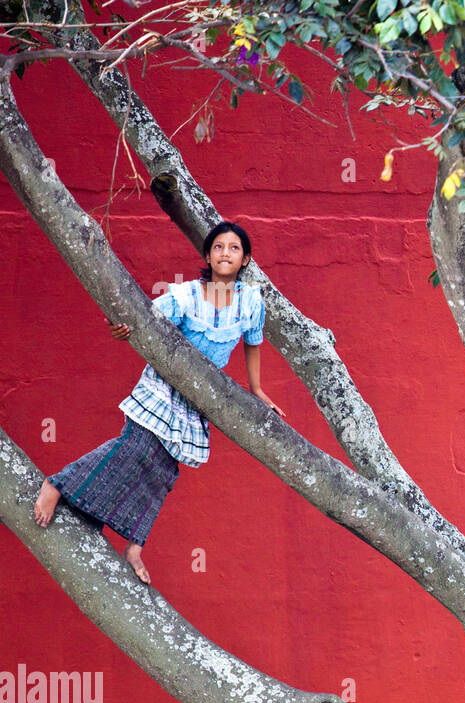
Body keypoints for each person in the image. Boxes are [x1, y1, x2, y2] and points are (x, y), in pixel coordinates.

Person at [31, 221, 286, 585]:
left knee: (163, 473)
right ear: (207, 255)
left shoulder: (251, 302)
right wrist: (117, 327)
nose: (225, 253)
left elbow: (253, 342)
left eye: (233, 248)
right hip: (162, 386)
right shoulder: (185, 295)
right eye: (218, 247)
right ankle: (56, 484)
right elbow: (136, 318)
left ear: (245, 259)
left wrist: (257, 390)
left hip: (198, 400)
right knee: (133, 447)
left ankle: (134, 545)